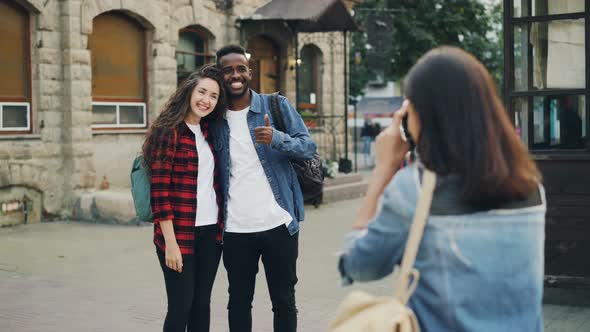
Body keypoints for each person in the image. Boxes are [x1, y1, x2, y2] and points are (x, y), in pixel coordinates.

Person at [338, 47, 546, 331]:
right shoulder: (529, 185)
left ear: (422, 114)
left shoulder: (414, 189)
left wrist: (383, 171)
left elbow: (359, 265)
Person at [212, 44, 317, 332]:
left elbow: (308, 148)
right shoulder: (214, 120)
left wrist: (277, 138)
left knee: (284, 301)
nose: (235, 75)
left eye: (240, 69)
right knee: (239, 301)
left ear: (250, 72)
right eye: (227, 70)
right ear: (220, 76)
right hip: (235, 229)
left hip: (278, 225)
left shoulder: (275, 105)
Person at [142, 64, 226, 332]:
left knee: (202, 304)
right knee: (181, 306)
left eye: (213, 96)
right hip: (178, 234)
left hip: (211, 232)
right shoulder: (169, 131)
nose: (206, 100)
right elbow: (159, 191)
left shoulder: (209, 133)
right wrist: (170, 243)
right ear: (189, 91)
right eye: (202, 92)